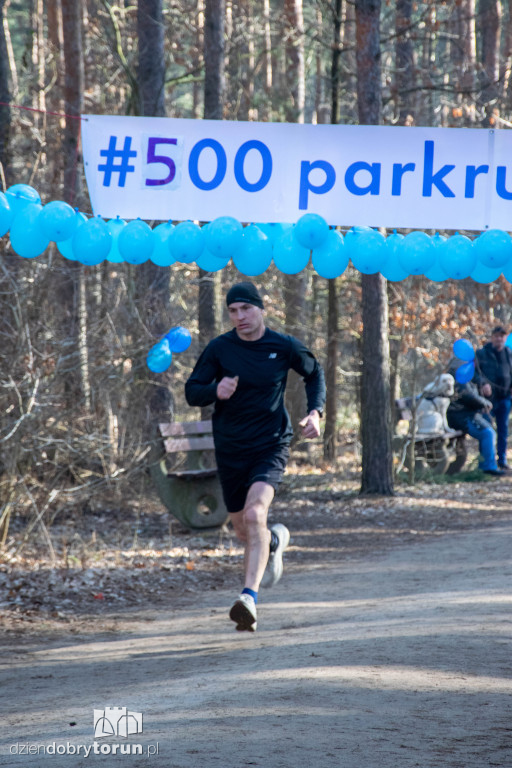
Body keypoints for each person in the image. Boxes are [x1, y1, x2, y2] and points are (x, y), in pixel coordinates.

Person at [185, 282, 326, 632]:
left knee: (255, 513)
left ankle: (248, 598)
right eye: (233, 311)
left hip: (270, 445)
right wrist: (214, 390)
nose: (240, 317)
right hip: (231, 449)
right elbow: (192, 391)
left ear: (261, 309)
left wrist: (316, 413)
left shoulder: (283, 345)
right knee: (244, 530)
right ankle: (275, 541)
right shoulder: (220, 349)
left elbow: (315, 373)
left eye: (246, 309)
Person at [447, 373, 503, 476]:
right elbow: (468, 396)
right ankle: (487, 467)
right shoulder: (460, 378)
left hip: (467, 415)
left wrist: (483, 384)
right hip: (461, 417)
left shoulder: (467, 376)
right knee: (487, 433)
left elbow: (477, 380)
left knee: (489, 432)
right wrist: (484, 403)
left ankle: (486, 465)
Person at [475, 325, 512, 470]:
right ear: (492, 337)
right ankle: (485, 462)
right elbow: (475, 373)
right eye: (497, 336)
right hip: (487, 401)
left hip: (505, 398)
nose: (499, 339)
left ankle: (502, 460)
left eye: (502, 336)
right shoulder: (482, 353)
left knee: (503, 430)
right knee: (486, 430)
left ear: (505, 338)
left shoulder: (509, 353)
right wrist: (482, 384)